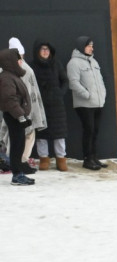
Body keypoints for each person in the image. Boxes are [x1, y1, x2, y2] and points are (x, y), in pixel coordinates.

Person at [66, 36, 107, 170]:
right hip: (84, 104)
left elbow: (100, 81)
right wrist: (87, 95)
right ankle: (87, 159)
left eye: (92, 45)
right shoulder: (74, 63)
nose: (92, 48)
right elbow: (73, 83)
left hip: (98, 103)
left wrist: (103, 94)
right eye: (89, 45)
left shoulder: (93, 61)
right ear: (82, 46)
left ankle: (94, 157)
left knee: (95, 130)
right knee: (88, 130)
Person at [29, 40, 69, 171]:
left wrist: (59, 93)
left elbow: (65, 81)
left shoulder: (56, 64)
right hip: (40, 106)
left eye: (47, 49)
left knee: (59, 133)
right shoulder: (32, 66)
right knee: (42, 133)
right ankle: (44, 159)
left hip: (57, 105)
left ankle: (61, 159)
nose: (45, 51)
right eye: (42, 49)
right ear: (37, 51)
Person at [7, 38, 45, 170]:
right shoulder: (22, 69)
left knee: (19, 136)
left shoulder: (8, 68)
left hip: (16, 107)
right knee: (25, 135)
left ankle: (19, 163)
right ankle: (20, 163)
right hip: (21, 108)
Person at [0, 47, 35, 185]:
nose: (21, 61)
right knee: (17, 145)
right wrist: (21, 117)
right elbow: (10, 100)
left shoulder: (12, 76)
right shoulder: (7, 78)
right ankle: (17, 175)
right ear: (11, 61)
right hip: (14, 116)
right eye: (18, 59)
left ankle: (19, 172)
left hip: (17, 115)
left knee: (19, 144)